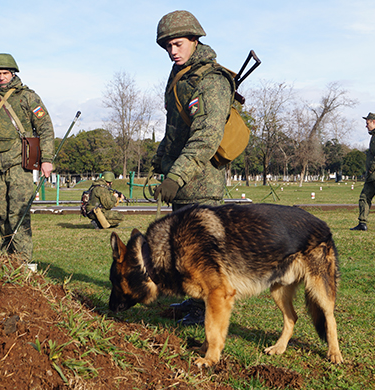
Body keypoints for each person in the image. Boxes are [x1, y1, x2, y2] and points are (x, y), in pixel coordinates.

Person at [152, 10, 234, 325]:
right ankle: (193, 301)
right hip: (180, 178)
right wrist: (160, 159)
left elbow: (206, 137)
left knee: (202, 254)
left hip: (202, 180)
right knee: (184, 252)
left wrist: (175, 176)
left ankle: (206, 311)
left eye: (178, 43)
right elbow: (174, 129)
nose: (173, 51)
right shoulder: (180, 77)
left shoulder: (211, 80)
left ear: (194, 40)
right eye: (168, 46)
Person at [0, 53, 55, 262]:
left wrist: (47, 159)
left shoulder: (28, 97)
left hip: (20, 163)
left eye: (5, 73)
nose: (1, 77)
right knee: (2, 212)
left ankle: (22, 258)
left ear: (13, 73)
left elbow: (45, 128)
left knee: (18, 212)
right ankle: (7, 255)